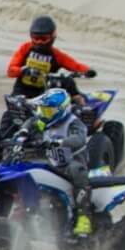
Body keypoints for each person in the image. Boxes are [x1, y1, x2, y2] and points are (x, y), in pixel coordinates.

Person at [17, 87, 96, 237]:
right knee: (22, 164)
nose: (45, 114)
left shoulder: (75, 123)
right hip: (50, 158)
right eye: (43, 110)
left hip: (71, 160)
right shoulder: (44, 120)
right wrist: (22, 133)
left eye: (49, 111)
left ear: (62, 109)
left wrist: (60, 142)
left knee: (77, 171)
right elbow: (31, 122)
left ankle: (83, 216)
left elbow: (78, 139)